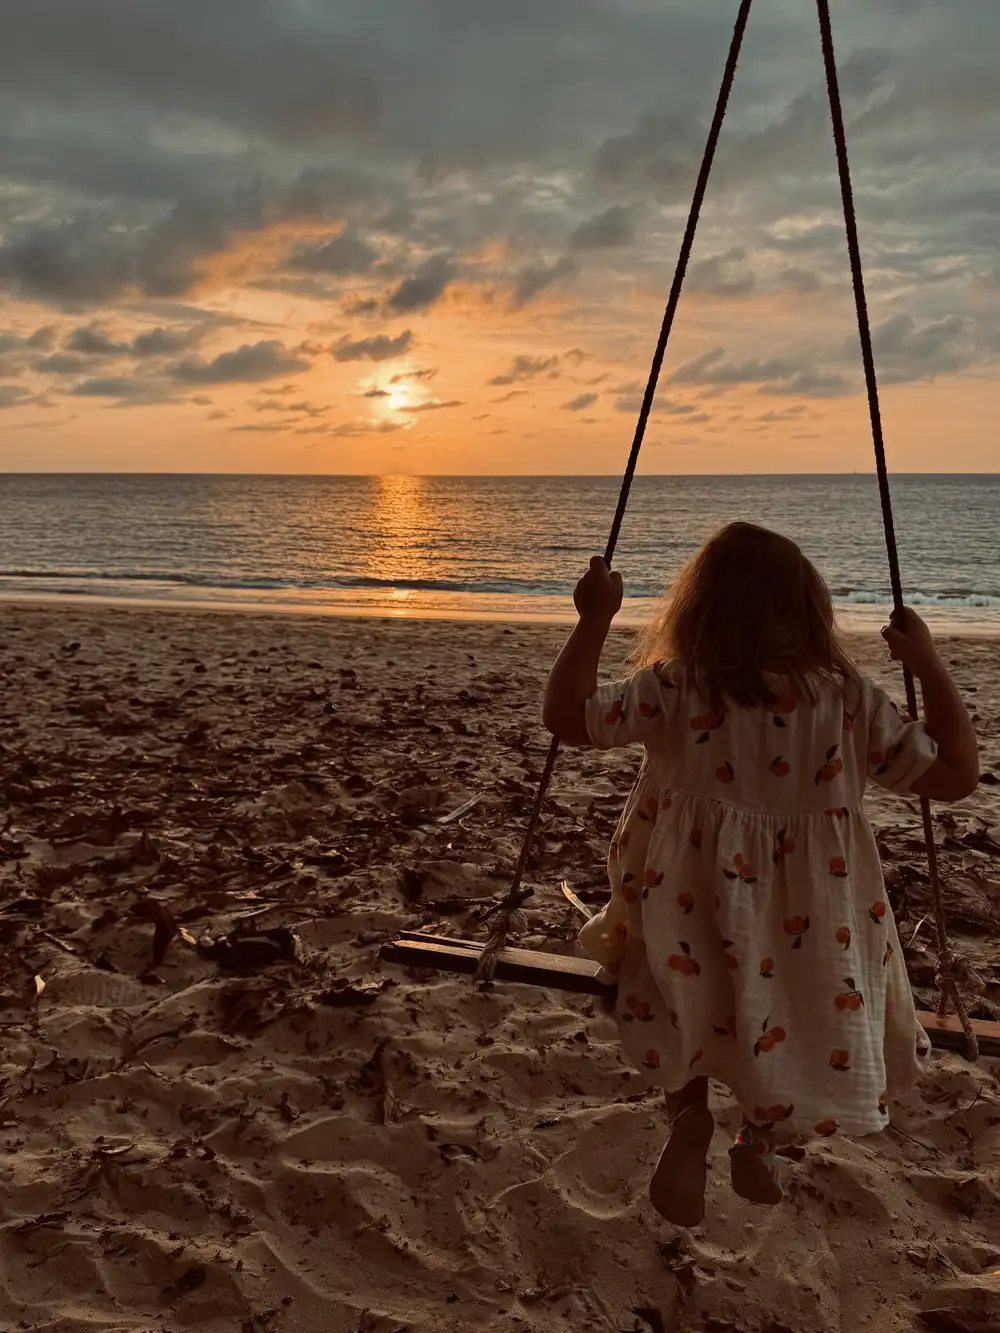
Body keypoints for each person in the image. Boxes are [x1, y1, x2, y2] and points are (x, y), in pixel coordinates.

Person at [543, 523, 979, 1227]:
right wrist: (926, 662)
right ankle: (760, 1134)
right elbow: (958, 776)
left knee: (683, 998)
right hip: (812, 919)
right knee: (785, 1009)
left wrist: (594, 620)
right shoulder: (847, 699)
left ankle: (687, 1112)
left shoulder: (677, 686)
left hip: (682, 907)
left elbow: (567, 717)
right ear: (810, 613)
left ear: (702, 609)